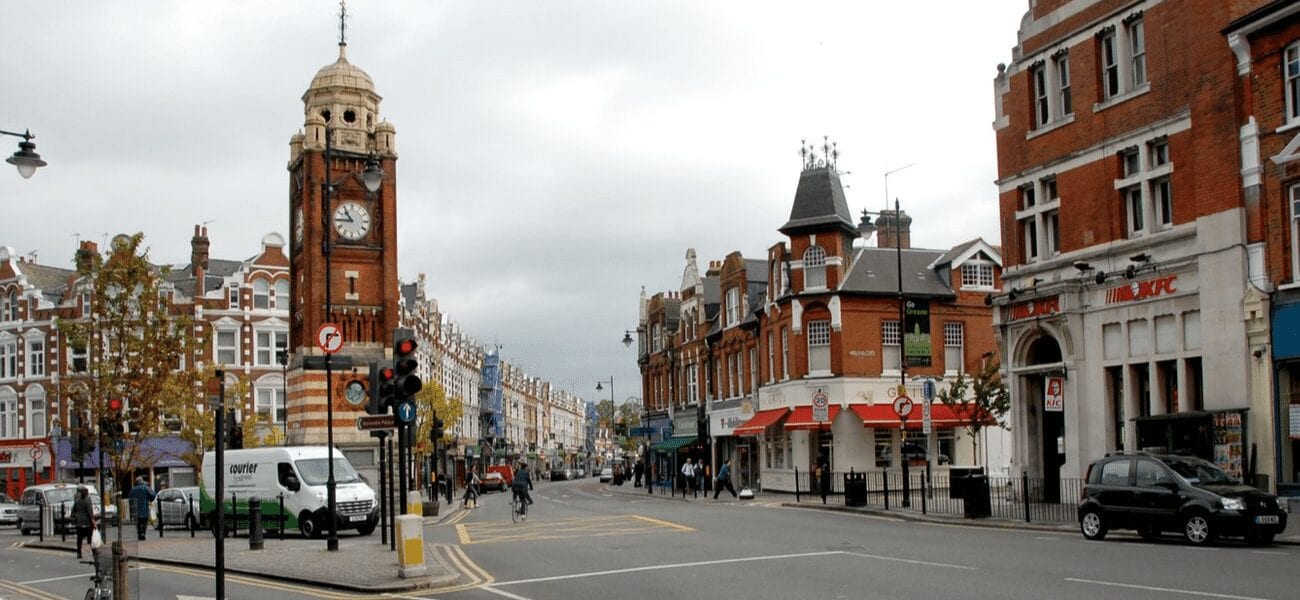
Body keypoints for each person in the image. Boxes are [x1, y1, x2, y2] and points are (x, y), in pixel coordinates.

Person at [128, 476, 156, 541]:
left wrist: (131, 511)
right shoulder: (145, 488)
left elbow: (130, 500)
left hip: (135, 510)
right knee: (144, 522)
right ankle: (143, 533)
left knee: (138, 523)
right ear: (142, 481)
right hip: (144, 509)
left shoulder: (133, 489)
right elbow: (153, 495)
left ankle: (139, 533)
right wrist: (150, 499)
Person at [72, 487, 95, 559]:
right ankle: (94, 552)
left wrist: (76, 517)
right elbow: (90, 512)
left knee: (79, 539)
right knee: (91, 538)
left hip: (79, 523)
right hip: (87, 523)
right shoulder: (88, 501)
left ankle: (79, 553)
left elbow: (73, 511)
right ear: (87, 493)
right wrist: (93, 521)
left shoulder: (77, 501)